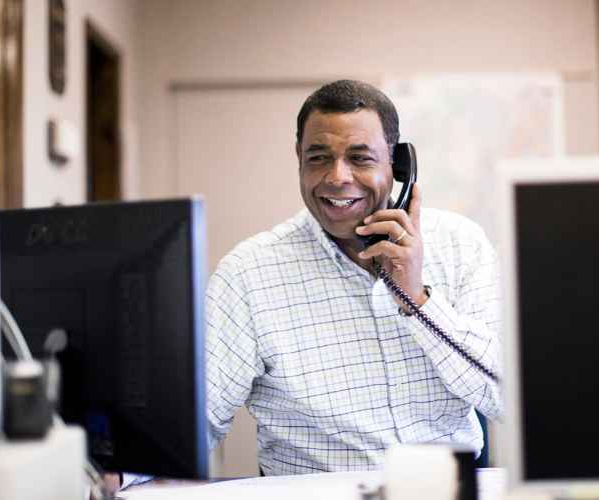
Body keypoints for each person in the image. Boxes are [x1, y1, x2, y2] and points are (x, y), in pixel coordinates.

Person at [206, 79, 501, 475]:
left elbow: (507, 397)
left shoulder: (462, 245)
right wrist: (121, 469)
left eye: (360, 158)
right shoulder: (248, 273)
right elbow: (199, 416)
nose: (337, 177)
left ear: (398, 166)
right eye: (318, 158)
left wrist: (417, 299)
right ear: (298, 157)